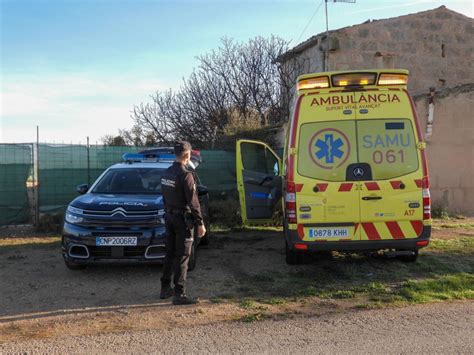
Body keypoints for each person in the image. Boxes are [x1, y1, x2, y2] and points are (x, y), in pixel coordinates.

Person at [159, 141, 206, 305]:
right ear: (187, 155)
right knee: (183, 256)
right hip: (182, 220)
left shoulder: (166, 173)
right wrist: (200, 223)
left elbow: (164, 198)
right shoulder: (186, 175)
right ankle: (179, 293)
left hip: (169, 217)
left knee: (170, 253)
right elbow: (193, 202)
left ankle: (165, 288)